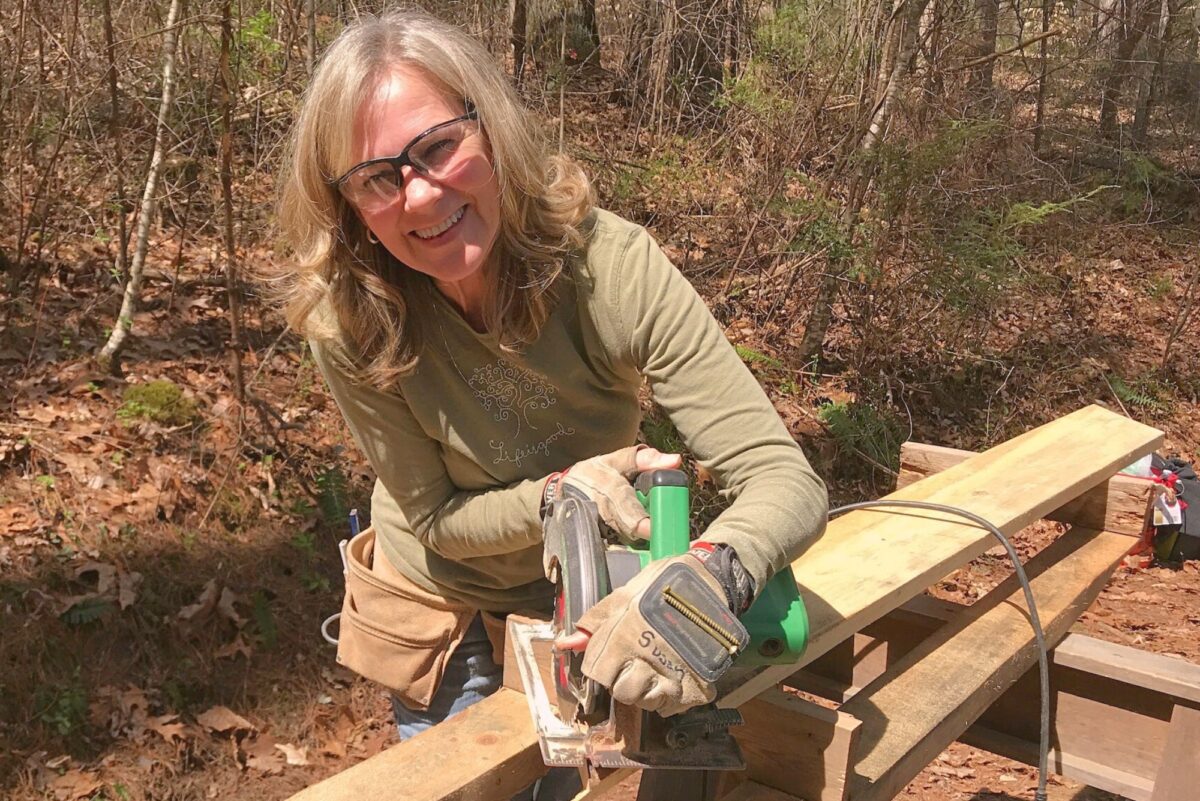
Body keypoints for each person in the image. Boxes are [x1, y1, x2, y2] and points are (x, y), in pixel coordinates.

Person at [273, 6, 827, 795]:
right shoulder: (350, 319)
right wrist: (555, 497)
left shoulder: (611, 269)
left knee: (568, 781)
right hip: (438, 595)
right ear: (349, 205)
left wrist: (705, 581)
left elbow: (783, 476)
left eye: (438, 147)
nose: (422, 196)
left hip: (583, 587)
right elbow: (432, 519)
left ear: (490, 126)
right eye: (378, 178)